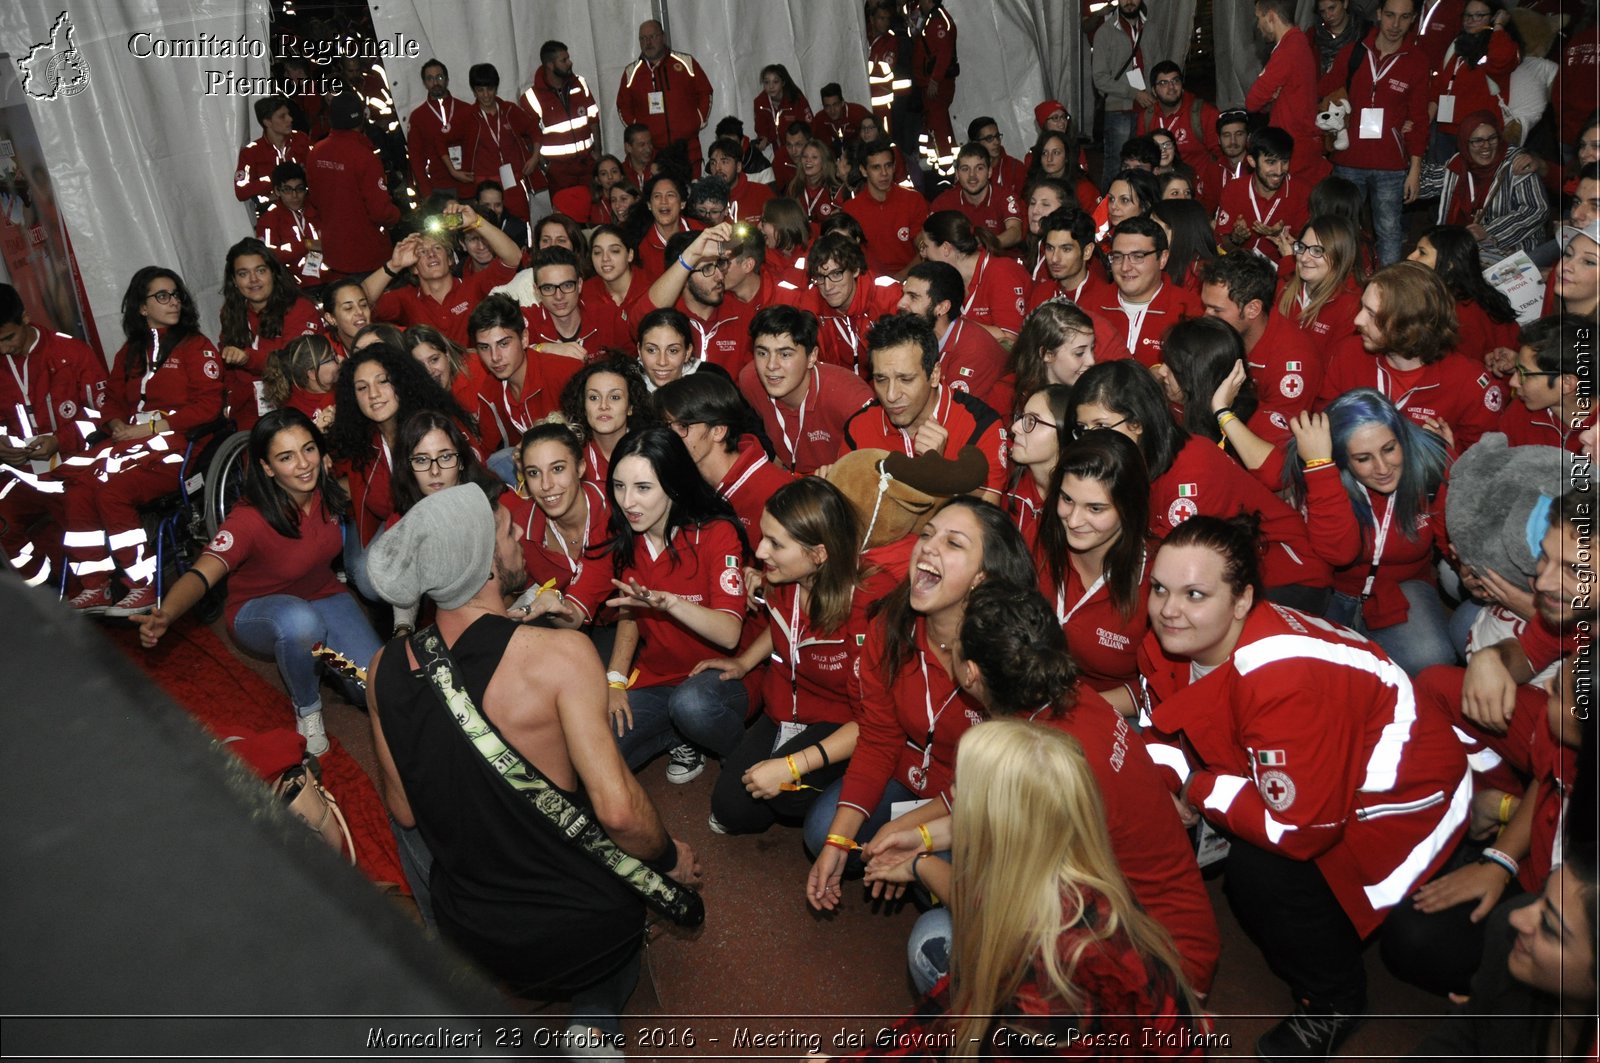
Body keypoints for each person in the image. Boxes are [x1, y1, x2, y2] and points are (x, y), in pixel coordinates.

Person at [364, 484, 699, 1045]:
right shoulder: (559, 655)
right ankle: (593, 1024)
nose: (521, 535)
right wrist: (669, 860)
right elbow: (619, 814)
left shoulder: (382, 667)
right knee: (621, 852)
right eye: (508, 530)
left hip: (473, 938)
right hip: (578, 938)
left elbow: (403, 808)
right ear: (486, 564)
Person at [1140, 514, 1469, 1057]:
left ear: (1242, 600)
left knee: (1260, 872)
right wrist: (1178, 775)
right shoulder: (1173, 637)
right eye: (1160, 589)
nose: (1169, 609)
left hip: (1400, 801)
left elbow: (1298, 829)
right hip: (1317, 771)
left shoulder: (1282, 680)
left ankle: (1333, 1000)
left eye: (1195, 593)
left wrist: (1196, 787)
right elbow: (1163, 726)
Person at [877, 580, 1221, 996]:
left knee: (931, 943)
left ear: (970, 674)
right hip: (1176, 935)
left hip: (1151, 977)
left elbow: (1001, 910)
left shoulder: (1034, 763)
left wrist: (918, 864)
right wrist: (918, 837)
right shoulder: (1069, 695)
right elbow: (977, 810)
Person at [844, 718, 1203, 1056]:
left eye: (961, 788)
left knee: (934, 949)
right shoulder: (1078, 879)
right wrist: (919, 864)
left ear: (997, 823)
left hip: (1049, 1027)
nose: (950, 793)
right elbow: (991, 905)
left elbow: (943, 1024)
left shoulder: (1046, 960)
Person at [804, 497, 1035, 905]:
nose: (928, 546)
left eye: (954, 543)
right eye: (927, 534)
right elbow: (877, 738)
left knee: (951, 892)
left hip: (977, 802)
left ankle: (923, 870)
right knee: (823, 833)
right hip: (908, 774)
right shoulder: (891, 626)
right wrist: (839, 840)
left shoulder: (1006, 656)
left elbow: (995, 787)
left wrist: (910, 830)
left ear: (983, 578)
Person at [135, 408, 378, 755]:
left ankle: (320, 657)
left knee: (373, 686)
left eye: (308, 449)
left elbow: (378, 481)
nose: (303, 464)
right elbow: (205, 570)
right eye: (286, 457)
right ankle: (308, 708)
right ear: (267, 467)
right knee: (302, 626)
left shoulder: (329, 492)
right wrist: (167, 613)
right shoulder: (248, 518)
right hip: (261, 612)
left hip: (322, 595)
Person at [696, 477, 895, 835]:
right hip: (783, 713)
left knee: (787, 795)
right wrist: (745, 662)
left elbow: (876, 722)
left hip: (845, 724)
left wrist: (792, 764)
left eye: (775, 543)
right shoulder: (784, 575)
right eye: (763, 536)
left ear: (818, 554)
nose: (759, 552)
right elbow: (786, 630)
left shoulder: (869, 602)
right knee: (730, 811)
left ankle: (847, 791)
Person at [1073, 359, 1331, 601]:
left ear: (1137, 423)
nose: (1090, 439)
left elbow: (1165, 561)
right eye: (1082, 428)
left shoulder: (1191, 468)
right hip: (1218, 579)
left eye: (1101, 426)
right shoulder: (1126, 457)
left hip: (1286, 582)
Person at [62, 268, 224, 616]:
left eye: (176, 294)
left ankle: (142, 584)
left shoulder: (197, 347)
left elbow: (209, 406)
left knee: (113, 490)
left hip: (177, 446)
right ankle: (96, 584)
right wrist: (116, 422)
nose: (173, 301)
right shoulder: (131, 353)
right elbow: (111, 397)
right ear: (142, 307)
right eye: (162, 296)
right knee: (77, 484)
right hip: (128, 444)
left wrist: (154, 428)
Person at [601, 425, 750, 784]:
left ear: (674, 484)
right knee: (601, 744)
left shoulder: (716, 533)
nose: (627, 502)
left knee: (692, 706)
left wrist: (670, 604)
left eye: (643, 488)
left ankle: (744, 757)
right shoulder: (627, 535)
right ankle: (680, 735)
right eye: (619, 486)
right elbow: (629, 613)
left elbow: (729, 633)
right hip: (659, 678)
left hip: (721, 677)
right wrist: (615, 681)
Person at [1285, 391, 1456, 675]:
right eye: (1363, 458)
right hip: (1332, 592)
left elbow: (1452, 539)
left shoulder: (1431, 465)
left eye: (1389, 448)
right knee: (1309, 672)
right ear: (1340, 458)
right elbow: (1340, 553)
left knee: (1432, 659)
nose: (1382, 467)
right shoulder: (1320, 470)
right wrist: (1320, 468)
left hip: (1401, 590)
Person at [1412, 852, 1599, 1059]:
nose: (1517, 917)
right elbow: (1466, 1033)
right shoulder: (1508, 942)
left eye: (1548, 926)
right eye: (1542, 894)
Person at [1320, 261, 1506, 451]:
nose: (1357, 320)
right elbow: (1325, 421)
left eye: (1372, 315)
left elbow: (1485, 466)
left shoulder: (1469, 383)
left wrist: (1444, 457)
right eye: (1363, 307)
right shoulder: (1349, 353)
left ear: (1409, 327)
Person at [0, 283, 107, 585]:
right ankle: (40, 593)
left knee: (77, 520)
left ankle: (92, 586)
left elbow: (105, 415)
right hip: (20, 473)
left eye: (8, 338)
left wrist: (61, 439)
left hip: (74, 467)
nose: (3, 349)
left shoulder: (70, 352)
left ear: (24, 318)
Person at [842, 312, 1009, 497]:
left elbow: (985, 520)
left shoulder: (981, 426)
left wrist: (939, 474)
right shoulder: (858, 428)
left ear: (935, 374)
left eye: (905, 379)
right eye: (880, 379)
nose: (891, 395)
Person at [326, 341, 473, 549]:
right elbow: (335, 480)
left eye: (383, 381)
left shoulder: (435, 428)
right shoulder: (360, 443)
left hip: (449, 526)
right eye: (362, 387)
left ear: (402, 382)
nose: (373, 394)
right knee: (362, 569)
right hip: (396, 530)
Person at [1317, 0, 1429, 267]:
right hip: (1348, 160)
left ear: (1413, 19)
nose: (1395, 24)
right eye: (1390, 15)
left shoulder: (1417, 62)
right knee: (1343, 230)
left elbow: (1420, 119)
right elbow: (1324, 91)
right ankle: (1343, 287)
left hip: (1391, 164)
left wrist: (1415, 169)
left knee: (1389, 232)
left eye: (1404, 17)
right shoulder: (1352, 52)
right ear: (1379, 14)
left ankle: (1386, 293)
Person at [503, 420, 615, 629]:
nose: (546, 485)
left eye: (557, 469)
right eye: (534, 473)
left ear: (581, 467)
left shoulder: (615, 507)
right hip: (565, 626)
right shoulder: (520, 527)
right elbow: (506, 592)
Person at [362, 202, 520, 349]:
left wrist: (476, 221)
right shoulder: (405, 298)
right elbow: (359, 300)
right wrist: (394, 265)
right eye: (422, 252)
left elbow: (513, 257)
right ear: (413, 268)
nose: (431, 254)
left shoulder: (472, 285)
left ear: (450, 259)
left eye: (437, 248)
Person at [737, 304, 871, 475]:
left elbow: (875, 469)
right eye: (762, 353)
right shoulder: (750, 381)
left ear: (812, 357)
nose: (771, 365)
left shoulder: (850, 397)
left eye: (785, 354)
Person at [1199, 251, 1322, 421]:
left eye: (1216, 310)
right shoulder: (1219, 330)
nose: (1206, 316)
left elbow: (1274, 441)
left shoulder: (1293, 360)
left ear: (1253, 309)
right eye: (1206, 306)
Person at [1419, 110, 1549, 267]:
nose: (1486, 146)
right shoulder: (1458, 164)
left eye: (1492, 138)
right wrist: (1409, 155)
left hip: (1512, 245)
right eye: (1477, 140)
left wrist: (1490, 232)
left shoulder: (1516, 164)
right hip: (1467, 243)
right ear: (1465, 142)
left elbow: (1536, 210)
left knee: (1458, 264)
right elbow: (1424, 185)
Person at [217, 238, 322, 432]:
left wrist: (247, 358)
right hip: (247, 411)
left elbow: (294, 362)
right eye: (243, 274)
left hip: (296, 405)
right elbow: (227, 367)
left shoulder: (300, 308)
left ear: (273, 273)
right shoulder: (231, 312)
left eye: (260, 270)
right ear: (234, 280)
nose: (253, 280)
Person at [467, 293, 582, 467]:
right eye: (484, 347)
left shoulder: (566, 372)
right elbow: (485, 450)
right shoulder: (489, 391)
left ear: (524, 339)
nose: (495, 357)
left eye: (503, 344)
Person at [307, 91, 400, 277]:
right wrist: (397, 216)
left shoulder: (316, 152)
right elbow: (380, 211)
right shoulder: (364, 156)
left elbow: (315, 200)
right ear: (362, 118)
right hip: (367, 253)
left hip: (333, 251)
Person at [1090, 216, 1203, 366]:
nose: (1125, 267)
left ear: (1162, 259)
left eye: (1137, 257)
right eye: (1117, 257)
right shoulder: (1090, 307)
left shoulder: (1190, 310)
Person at [897, 261, 1008, 406]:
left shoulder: (973, 352)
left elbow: (952, 417)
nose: (900, 303)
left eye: (913, 297)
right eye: (903, 294)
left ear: (942, 308)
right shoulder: (921, 336)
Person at [1407, 224, 1521, 366]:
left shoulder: (1464, 311)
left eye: (1422, 253)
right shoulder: (1448, 295)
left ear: (1449, 264)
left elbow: (1463, 366)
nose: (1410, 257)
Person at [1249, 0, 1333, 182]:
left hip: (1294, 148)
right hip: (1296, 143)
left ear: (1271, 15)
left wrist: (1270, 96)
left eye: (1259, 18)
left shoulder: (1289, 49)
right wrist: (1272, 96)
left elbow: (1253, 101)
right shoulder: (1296, 44)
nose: (1258, 25)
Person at [1427, 1, 1521, 159]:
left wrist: (1498, 27)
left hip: (1480, 134)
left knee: (1476, 182)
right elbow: (1439, 88)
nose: (1471, 20)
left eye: (1479, 16)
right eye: (1468, 15)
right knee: (1443, 180)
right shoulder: (1457, 46)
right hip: (1446, 131)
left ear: (1493, 17)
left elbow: (1501, 61)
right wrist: (1425, 125)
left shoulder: (1501, 44)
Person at [617, 20, 713, 173]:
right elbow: (623, 106)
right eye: (643, 38)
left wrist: (699, 120)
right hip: (652, 154)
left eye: (652, 36)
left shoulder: (686, 63)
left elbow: (705, 91)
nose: (648, 42)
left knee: (691, 193)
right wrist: (637, 130)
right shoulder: (631, 72)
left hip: (688, 149)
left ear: (663, 37)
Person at [799, 232, 903, 374]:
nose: (828, 287)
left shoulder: (891, 297)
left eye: (836, 274)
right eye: (820, 277)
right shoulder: (810, 306)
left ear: (855, 270)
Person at [919, 211, 1029, 344]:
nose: (923, 253)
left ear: (946, 248)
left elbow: (1009, 338)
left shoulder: (1001, 271)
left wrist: (950, 327)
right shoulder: (950, 278)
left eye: (925, 246)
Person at [1499, 315, 1597, 452]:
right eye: (1516, 369)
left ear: (1567, 384)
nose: (1513, 381)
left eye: (1524, 374)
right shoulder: (1520, 411)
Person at [559, 353, 655, 493]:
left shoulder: (652, 452)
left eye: (615, 397)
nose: (603, 406)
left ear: (630, 406)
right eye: (594, 397)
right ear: (583, 406)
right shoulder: (570, 457)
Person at [1214, 127, 1313, 260]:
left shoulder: (1303, 192)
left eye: (1284, 161)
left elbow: (1309, 251)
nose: (1279, 171)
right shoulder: (1234, 189)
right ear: (1252, 161)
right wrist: (1235, 238)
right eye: (1271, 162)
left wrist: (1282, 237)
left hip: (1285, 272)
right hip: (1243, 270)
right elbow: (1223, 246)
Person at [519, 40, 601, 195]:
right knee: (564, 218)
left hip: (587, 167)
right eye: (564, 60)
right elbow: (529, 137)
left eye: (568, 58)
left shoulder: (580, 84)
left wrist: (597, 153)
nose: (570, 63)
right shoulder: (531, 98)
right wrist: (546, 166)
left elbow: (593, 119)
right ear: (550, 65)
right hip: (559, 174)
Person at [1277, 215, 1367, 353]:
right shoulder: (1285, 287)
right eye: (1302, 247)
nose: (1304, 258)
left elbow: (1337, 369)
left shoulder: (1352, 308)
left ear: (1340, 256)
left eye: (1317, 251)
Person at [997, 383, 1072, 548]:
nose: (1015, 428)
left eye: (1031, 421)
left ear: (1063, 431)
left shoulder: (1078, 506)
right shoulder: (1005, 485)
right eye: (1022, 417)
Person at [1092, 0, 1154, 187]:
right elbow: (1100, 78)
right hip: (1119, 109)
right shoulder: (1105, 32)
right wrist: (1133, 93)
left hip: (1148, 108)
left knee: (1145, 164)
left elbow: (1157, 63)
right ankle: (1107, 212)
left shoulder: (1150, 28)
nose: (1129, 2)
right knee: (1116, 166)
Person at [1008, 300, 1101, 409]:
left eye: (1092, 348)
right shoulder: (1009, 394)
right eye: (1079, 353)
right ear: (1047, 354)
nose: (1091, 361)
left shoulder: (1096, 397)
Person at [1135, 61, 1221, 179]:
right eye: (1164, 83)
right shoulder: (1146, 117)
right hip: (1159, 190)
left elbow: (1221, 156)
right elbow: (1141, 158)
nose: (1171, 87)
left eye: (1175, 81)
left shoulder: (1204, 113)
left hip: (1197, 191)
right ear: (1154, 91)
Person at [930, 143, 1023, 252]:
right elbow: (927, 237)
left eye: (979, 168)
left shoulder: (1005, 196)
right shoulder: (943, 202)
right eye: (965, 169)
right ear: (957, 174)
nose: (972, 176)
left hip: (999, 263)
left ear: (989, 172)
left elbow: (1015, 232)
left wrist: (984, 244)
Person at [407, 60, 473, 200]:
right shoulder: (418, 117)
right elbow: (416, 159)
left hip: (469, 184)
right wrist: (427, 193)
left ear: (447, 79)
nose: (435, 82)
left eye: (439, 77)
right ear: (424, 83)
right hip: (438, 190)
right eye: (430, 78)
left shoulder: (466, 109)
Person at [234, 95, 313, 210]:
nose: (290, 119)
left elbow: (317, 172)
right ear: (267, 122)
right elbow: (241, 191)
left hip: (306, 210)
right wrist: (274, 179)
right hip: (272, 217)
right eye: (282, 117)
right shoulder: (251, 152)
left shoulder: (301, 140)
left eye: (289, 114)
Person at [909, 0, 959, 180]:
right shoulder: (930, 19)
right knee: (937, 122)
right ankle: (937, 161)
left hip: (937, 84)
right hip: (930, 82)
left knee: (938, 125)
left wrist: (935, 80)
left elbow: (944, 53)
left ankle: (946, 170)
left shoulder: (939, 21)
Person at [256, 163, 326, 286]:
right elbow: (266, 257)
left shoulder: (319, 209)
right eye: (287, 190)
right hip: (294, 287)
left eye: (299, 189)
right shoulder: (269, 220)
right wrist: (306, 244)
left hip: (331, 279)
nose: (295, 196)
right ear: (277, 191)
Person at [262, 333, 339, 428]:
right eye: (332, 358)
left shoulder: (343, 388)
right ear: (312, 373)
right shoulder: (294, 417)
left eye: (335, 354)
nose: (339, 359)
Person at [404, 323, 483, 416]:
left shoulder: (478, 366)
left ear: (447, 354)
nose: (429, 371)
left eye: (434, 360)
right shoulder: (419, 402)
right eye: (420, 366)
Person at [585, 223, 648, 325]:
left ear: (630, 255)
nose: (605, 258)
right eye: (597, 252)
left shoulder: (652, 289)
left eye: (614, 251)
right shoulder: (584, 293)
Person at [753, 64, 812, 169]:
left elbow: (809, 128)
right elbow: (762, 129)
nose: (771, 86)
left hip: (801, 150)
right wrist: (764, 139)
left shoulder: (796, 99)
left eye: (775, 82)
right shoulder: (760, 102)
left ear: (783, 83)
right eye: (766, 82)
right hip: (780, 154)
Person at [1153, 198, 1217, 294]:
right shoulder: (1158, 261)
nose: (1148, 234)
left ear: (1181, 231)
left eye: (1156, 228)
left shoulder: (1204, 272)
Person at [704, 137, 772, 225]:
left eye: (724, 162)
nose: (717, 168)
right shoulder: (703, 199)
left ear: (738, 166)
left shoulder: (762, 193)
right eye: (713, 163)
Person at [320, 278, 370, 358]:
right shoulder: (323, 352)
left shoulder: (393, 340)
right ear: (330, 318)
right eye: (348, 308)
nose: (360, 311)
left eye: (363, 305)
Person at [813, 83, 871, 150]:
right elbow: (823, 149)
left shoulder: (858, 113)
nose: (832, 111)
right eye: (827, 106)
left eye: (835, 105)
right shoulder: (820, 119)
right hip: (838, 148)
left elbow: (875, 133)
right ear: (823, 107)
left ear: (842, 102)